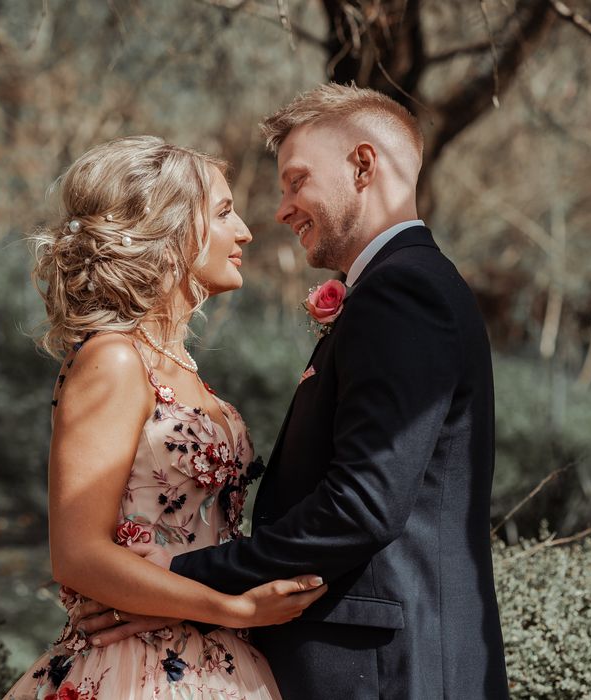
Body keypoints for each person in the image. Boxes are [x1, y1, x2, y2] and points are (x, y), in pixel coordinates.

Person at [82, 84, 511, 699]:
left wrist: (187, 583)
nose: (281, 209)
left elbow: (360, 506)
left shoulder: (401, 293)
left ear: (363, 166)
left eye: (297, 180)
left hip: (388, 668)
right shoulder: (403, 286)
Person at [3, 136, 327, 700]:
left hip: (220, 660)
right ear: (169, 231)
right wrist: (233, 606)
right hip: (135, 671)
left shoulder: (178, 364)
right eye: (224, 213)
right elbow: (78, 554)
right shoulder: (112, 358)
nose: (246, 230)